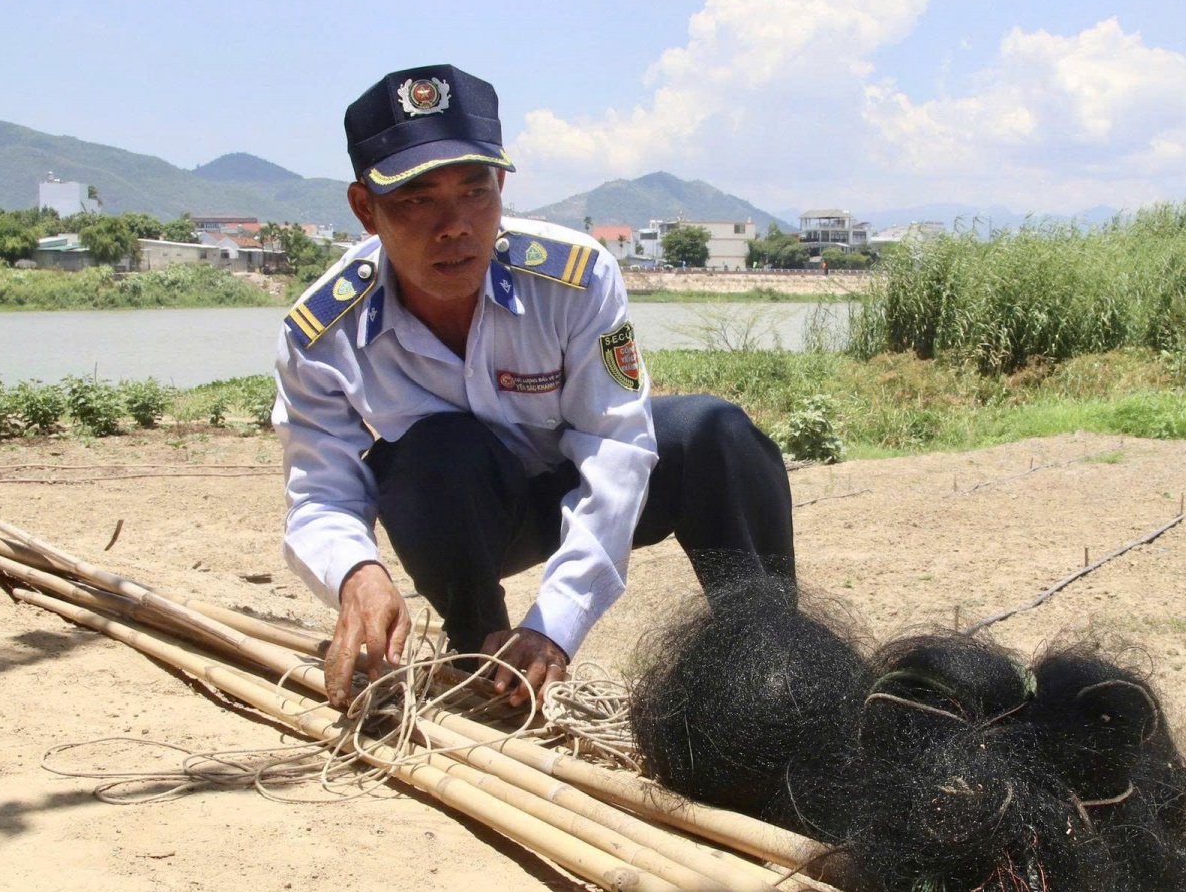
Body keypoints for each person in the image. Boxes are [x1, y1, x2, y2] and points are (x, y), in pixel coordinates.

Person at [272, 64, 795, 709]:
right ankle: (479, 650)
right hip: (473, 515)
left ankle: (775, 665)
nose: (455, 224)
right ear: (365, 211)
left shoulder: (574, 279)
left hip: (571, 480)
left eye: (475, 191)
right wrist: (356, 572)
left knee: (714, 434)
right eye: (416, 200)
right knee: (434, 453)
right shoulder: (324, 334)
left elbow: (614, 445)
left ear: (501, 186)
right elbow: (320, 494)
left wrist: (555, 626)